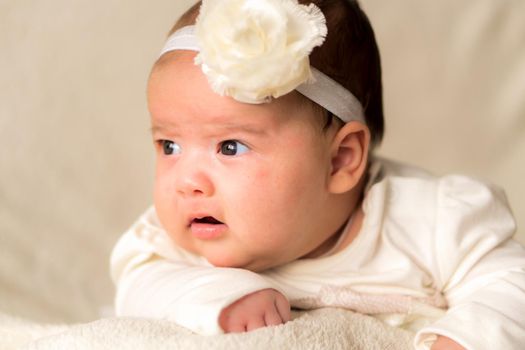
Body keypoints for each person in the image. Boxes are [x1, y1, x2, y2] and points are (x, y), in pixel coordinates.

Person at [110, 0, 525, 349]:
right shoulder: (169, 242)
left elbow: (510, 283)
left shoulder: (433, 220)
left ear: (340, 160)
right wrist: (218, 299)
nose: (187, 181)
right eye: (169, 146)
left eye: (230, 147)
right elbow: (138, 284)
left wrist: (466, 339)